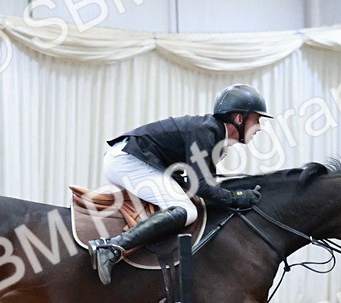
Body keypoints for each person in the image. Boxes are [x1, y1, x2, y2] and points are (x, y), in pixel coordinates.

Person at [89, 84, 271, 285]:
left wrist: (233, 195)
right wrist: (237, 198)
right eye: (257, 119)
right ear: (239, 118)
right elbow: (202, 186)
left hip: (135, 159)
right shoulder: (205, 132)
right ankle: (111, 247)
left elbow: (206, 185)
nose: (259, 127)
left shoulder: (214, 135)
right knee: (186, 210)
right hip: (127, 161)